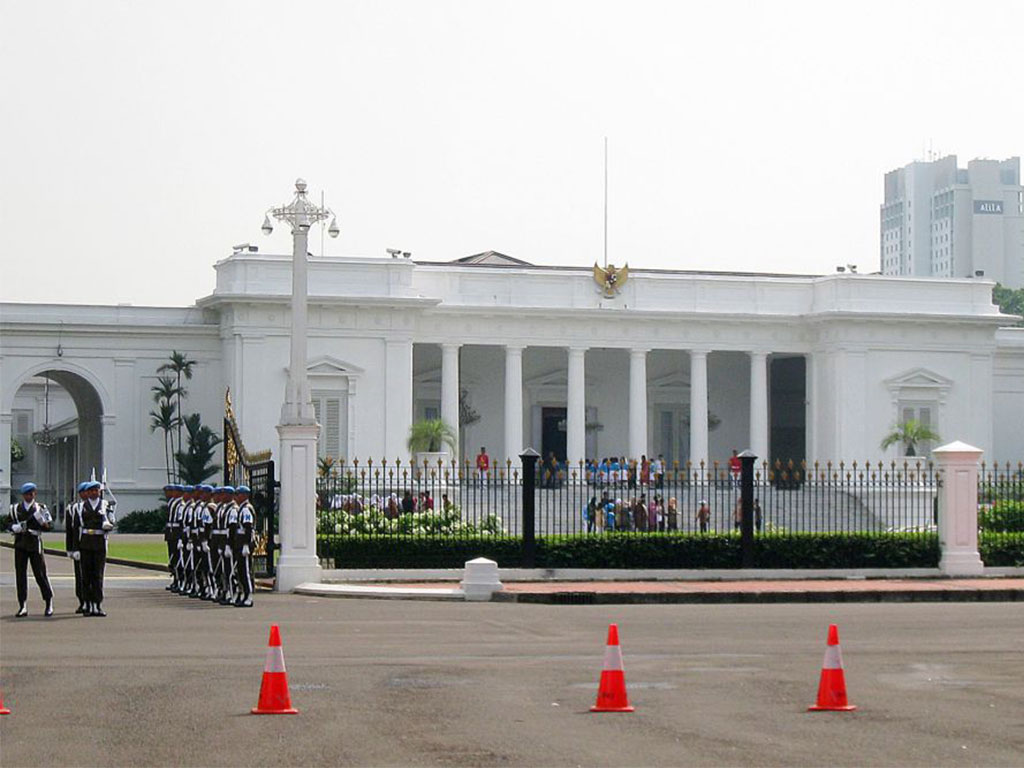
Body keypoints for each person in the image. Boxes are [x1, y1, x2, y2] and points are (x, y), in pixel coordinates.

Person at [8, 482, 54, 617]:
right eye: (27, 494)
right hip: (21, 543)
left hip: (34, 543)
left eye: (32, 493)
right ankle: (22, 605)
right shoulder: (15, 509)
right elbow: (8, 522)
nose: (30, 496)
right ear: (23, 495)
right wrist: (13, 528)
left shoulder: (41, 508)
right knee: (20, 575)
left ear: (35, 493)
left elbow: (48, 526)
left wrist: (43, 523)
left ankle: (48, 601)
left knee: (40, 574)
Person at [76, 480, 115, 616]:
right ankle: (87, 603)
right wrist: (75, 549)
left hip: (99, 542)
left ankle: (97, 604)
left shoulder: (105, 505)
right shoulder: (81, 507)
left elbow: (112, 521)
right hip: (86, 542)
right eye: (91, 490)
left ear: (99, 491)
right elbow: (77, 527)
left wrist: (108, 525)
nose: (94, 493)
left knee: (98, 575)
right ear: (87, 492)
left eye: (96, 490)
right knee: (86, 575)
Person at [232, 485, 256, 607]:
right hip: (240, 543)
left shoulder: (246, 509)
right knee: (240, 571)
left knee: (245, 571)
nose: (236, 497)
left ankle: (249, 595)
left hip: (244, 544)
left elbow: (248, 528)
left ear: (244, 496)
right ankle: (244, 594)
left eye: (238, 494)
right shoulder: (241, 509)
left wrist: (246, 544)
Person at [67, 481, 88, 612]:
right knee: (79, 575)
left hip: (92, 545)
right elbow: (70, 531)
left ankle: (92, 601)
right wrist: (71, 548)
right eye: (85, 491)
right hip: (79, 544)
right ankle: (82, 600)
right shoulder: (73, 509)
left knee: (93, 575)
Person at [162, 484, 183, 592]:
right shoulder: (172, 503)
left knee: (177, 558)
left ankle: (180, 579)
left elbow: (181, 523)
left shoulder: (180, 505)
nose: (167, 494)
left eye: (170, 491)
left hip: (176, 534)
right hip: (171, 534)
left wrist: (180, 538)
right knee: (172, 558)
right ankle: (176, 578)